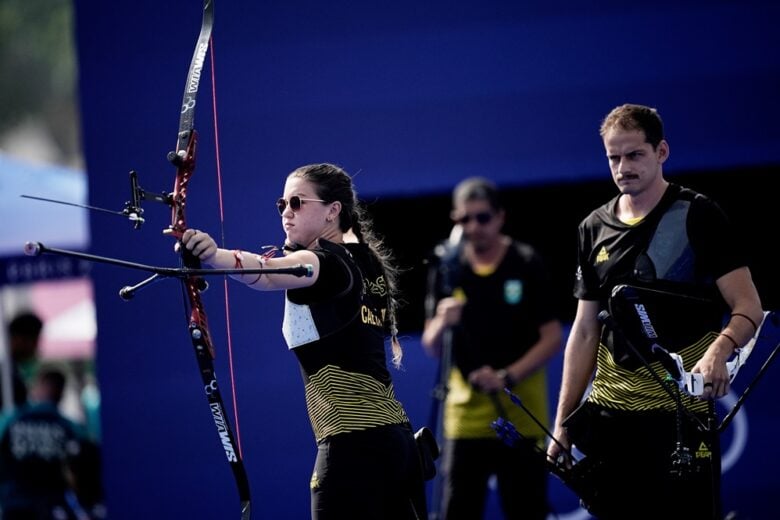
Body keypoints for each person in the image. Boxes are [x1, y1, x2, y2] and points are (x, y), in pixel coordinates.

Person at [546, 104, 764, 519]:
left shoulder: (698, 214)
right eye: (613, 157)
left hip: (680, 416)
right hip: (610, 419)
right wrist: (562, 423)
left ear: (661, 151)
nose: (622, 167)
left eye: (634, 155)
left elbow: (748, 306)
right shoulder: (592, 227)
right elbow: (585, 330)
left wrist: (719, 350)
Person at [181, 162, 428, 519]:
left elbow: (269, 273)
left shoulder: (326, 263)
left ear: (332, 211)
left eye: (297, 203)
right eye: (282, 204)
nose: (286, 213)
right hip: (395, 441)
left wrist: (212, 255)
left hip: (353, 444)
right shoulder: (365, 262)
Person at [421, 177, 563, 520]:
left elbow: (552, 336)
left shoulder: (526, 262)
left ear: (500, 217)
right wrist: (442, 320)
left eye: (482, 217)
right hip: (465, 422)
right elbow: (431, 345)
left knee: (526, 511)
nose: (473, 227)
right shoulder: (447, 268)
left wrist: (506, 376)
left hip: (521, 418)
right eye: (463, 219)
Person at [0, 368, 94, 519]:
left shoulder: (10, 421)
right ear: (61, 393)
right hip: (53, 507)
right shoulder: (70, 427)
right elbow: (85, 466)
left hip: (15, 503)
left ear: (39, 386)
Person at [1, 312, 43, 408]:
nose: (36, 347)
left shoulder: (11, 371)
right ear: (18, 339)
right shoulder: (7, 376)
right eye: (34, 340)